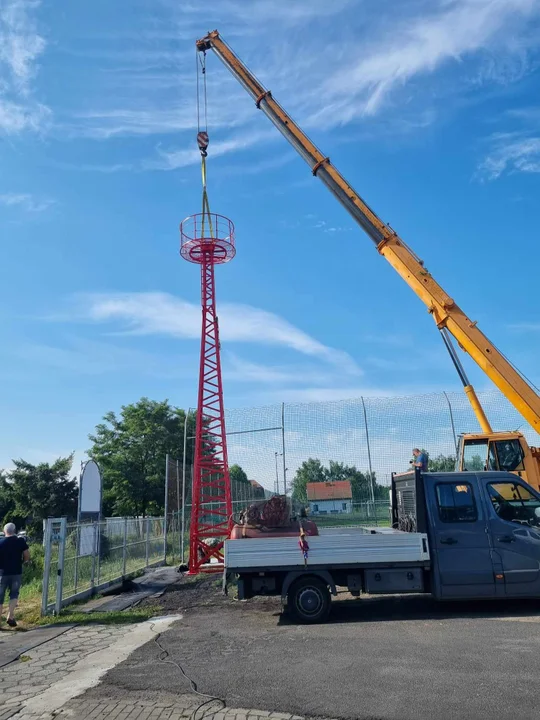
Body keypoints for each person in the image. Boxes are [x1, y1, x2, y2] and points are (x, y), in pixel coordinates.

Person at [0, 523, 30, 628]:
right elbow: (26, 555)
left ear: (4, 531)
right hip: (16, 572)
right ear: (15, 531)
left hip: (2, 573)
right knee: (14, 594)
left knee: (0, 596)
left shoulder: (0, 542)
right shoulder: (20, 541)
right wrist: (24, 562)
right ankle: (10, 616)